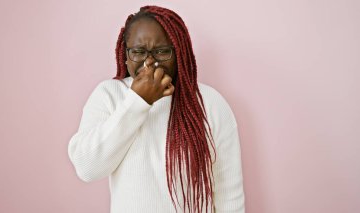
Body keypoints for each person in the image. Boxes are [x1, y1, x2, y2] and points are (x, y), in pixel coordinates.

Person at [68, 5, 245, 213]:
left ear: (179, 53)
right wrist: (138, 101)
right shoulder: (109, 95)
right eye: (138, 52)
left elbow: (229, 192)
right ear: (125, 55)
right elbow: (87, 168)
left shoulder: (210, 102)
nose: (149, 62)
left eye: (161, 51)